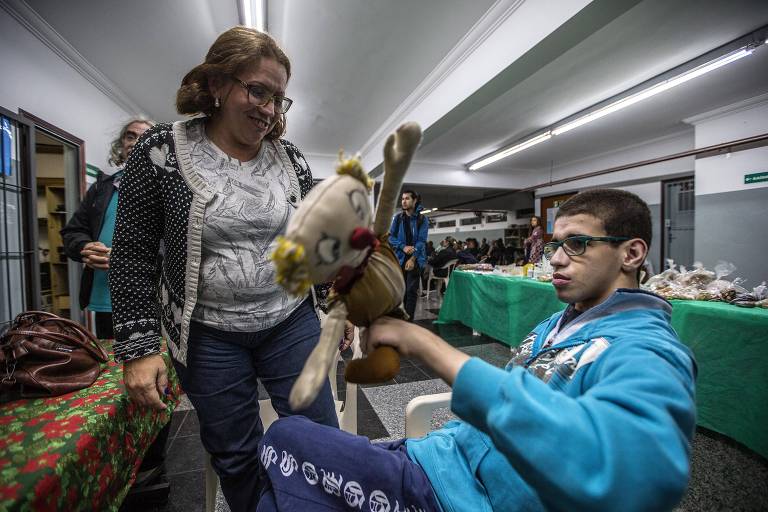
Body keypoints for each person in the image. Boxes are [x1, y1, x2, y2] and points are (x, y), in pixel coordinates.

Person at [257, 188, 697, 512]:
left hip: (456, 496)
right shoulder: (562, 321)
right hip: (440, 457)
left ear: (632, 253)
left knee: (283, 439)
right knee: (284, 468)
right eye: (553, 245)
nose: (557, 259)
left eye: (577, 244)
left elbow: (639, 476)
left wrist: (430, 347)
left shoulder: (646, 347)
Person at [108, 27, 339, 511]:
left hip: (290, 319)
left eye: (278, 98)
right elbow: (131, 251)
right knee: (237, 455)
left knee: (321, 439)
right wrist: (140, 347)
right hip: (208, 333)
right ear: (216, 84)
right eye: (258, 90)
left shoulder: (290, 159)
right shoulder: (161, 151)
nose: (270, 110)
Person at [61, 118, 153, 339]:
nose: (135, 142)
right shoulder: (103, 187)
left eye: (144, 137)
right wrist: (85, 246)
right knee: (113, 369)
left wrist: (124, 259)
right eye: (130, 136)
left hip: (151, 299)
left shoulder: (166, 188)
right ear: (121, 145)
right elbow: (73, 232)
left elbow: (179, 245)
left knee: (155, 369)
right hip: (105, 299)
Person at [389, 190, 429, 320]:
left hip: (416, 259)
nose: (404, 201)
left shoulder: (423, 219)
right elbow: (390, 237)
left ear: (415, 200)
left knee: (411, 291)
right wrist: (403, 247)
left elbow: (421, 241)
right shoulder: (398, 218)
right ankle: (399, 318)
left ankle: (408, 321)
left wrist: (412, 258)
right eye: (402, 199)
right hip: (400, 258)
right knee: (400, 292)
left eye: (407, 198)